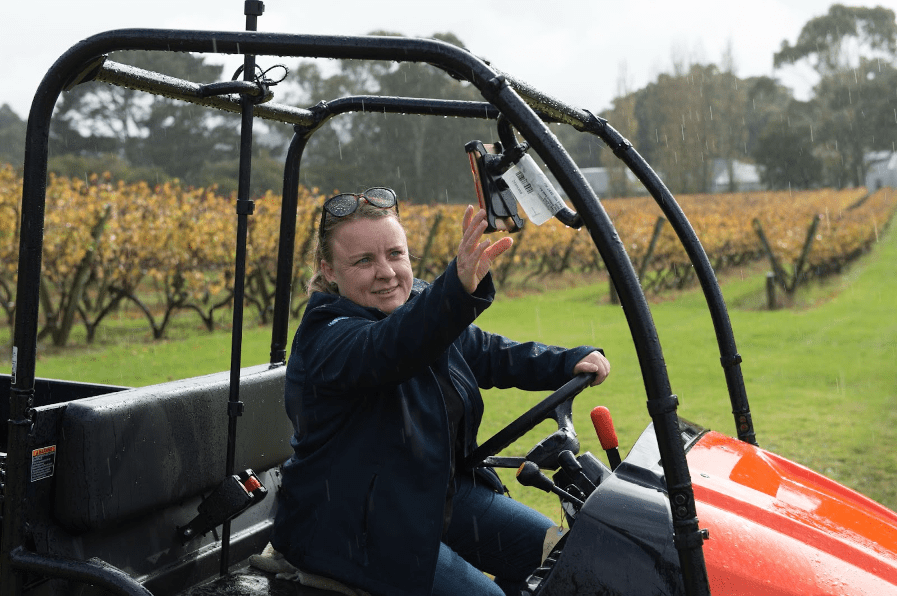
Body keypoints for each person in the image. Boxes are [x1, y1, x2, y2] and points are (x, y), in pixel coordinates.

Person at [271, 187, 610, 596]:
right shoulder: (328, 339)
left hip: (432, 494)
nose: (387, 272)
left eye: (395, 254)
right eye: (364, 261)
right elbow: (392, 346)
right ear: (328, 270)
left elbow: (484, 352)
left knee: (568, 555)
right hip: (354, 525)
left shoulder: (416, 307)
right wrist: (454, 291)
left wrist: (566, 361)